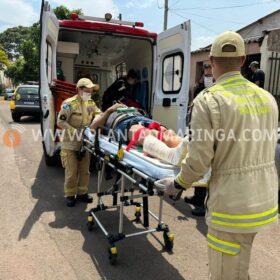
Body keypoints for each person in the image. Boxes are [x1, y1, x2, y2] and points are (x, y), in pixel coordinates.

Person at [158, 31, 278, 279]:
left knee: (225, 273)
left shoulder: (209, 100)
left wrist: (178, 183)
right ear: (243, 60)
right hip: (262, 201)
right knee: (238, 265)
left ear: (210, 62)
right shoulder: (268, 99)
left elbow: (199, 159)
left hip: (231, 207)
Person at [57, 78, 123, 207]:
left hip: (85, 143)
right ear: (79, 89)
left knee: (85, 171)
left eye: (91, 91)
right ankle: (70, 195)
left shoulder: (91, 103)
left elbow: (99, 115)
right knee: (71, 172)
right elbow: (60, 122)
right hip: (70, 144)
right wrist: (75, 131)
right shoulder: (69, 104)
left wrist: (111, 111)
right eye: (87, 91)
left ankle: (82, 193)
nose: (89, 93)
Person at [186, 63, 215, 216]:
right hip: (197, 125)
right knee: (198, 163)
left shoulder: (217, 86)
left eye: (210, 69)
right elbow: (195, 99)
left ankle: (204, 205)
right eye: (206, 70)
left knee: (207, 168)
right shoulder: (200, 83)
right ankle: (197, 198)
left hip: (209, 130)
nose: (208, 72)